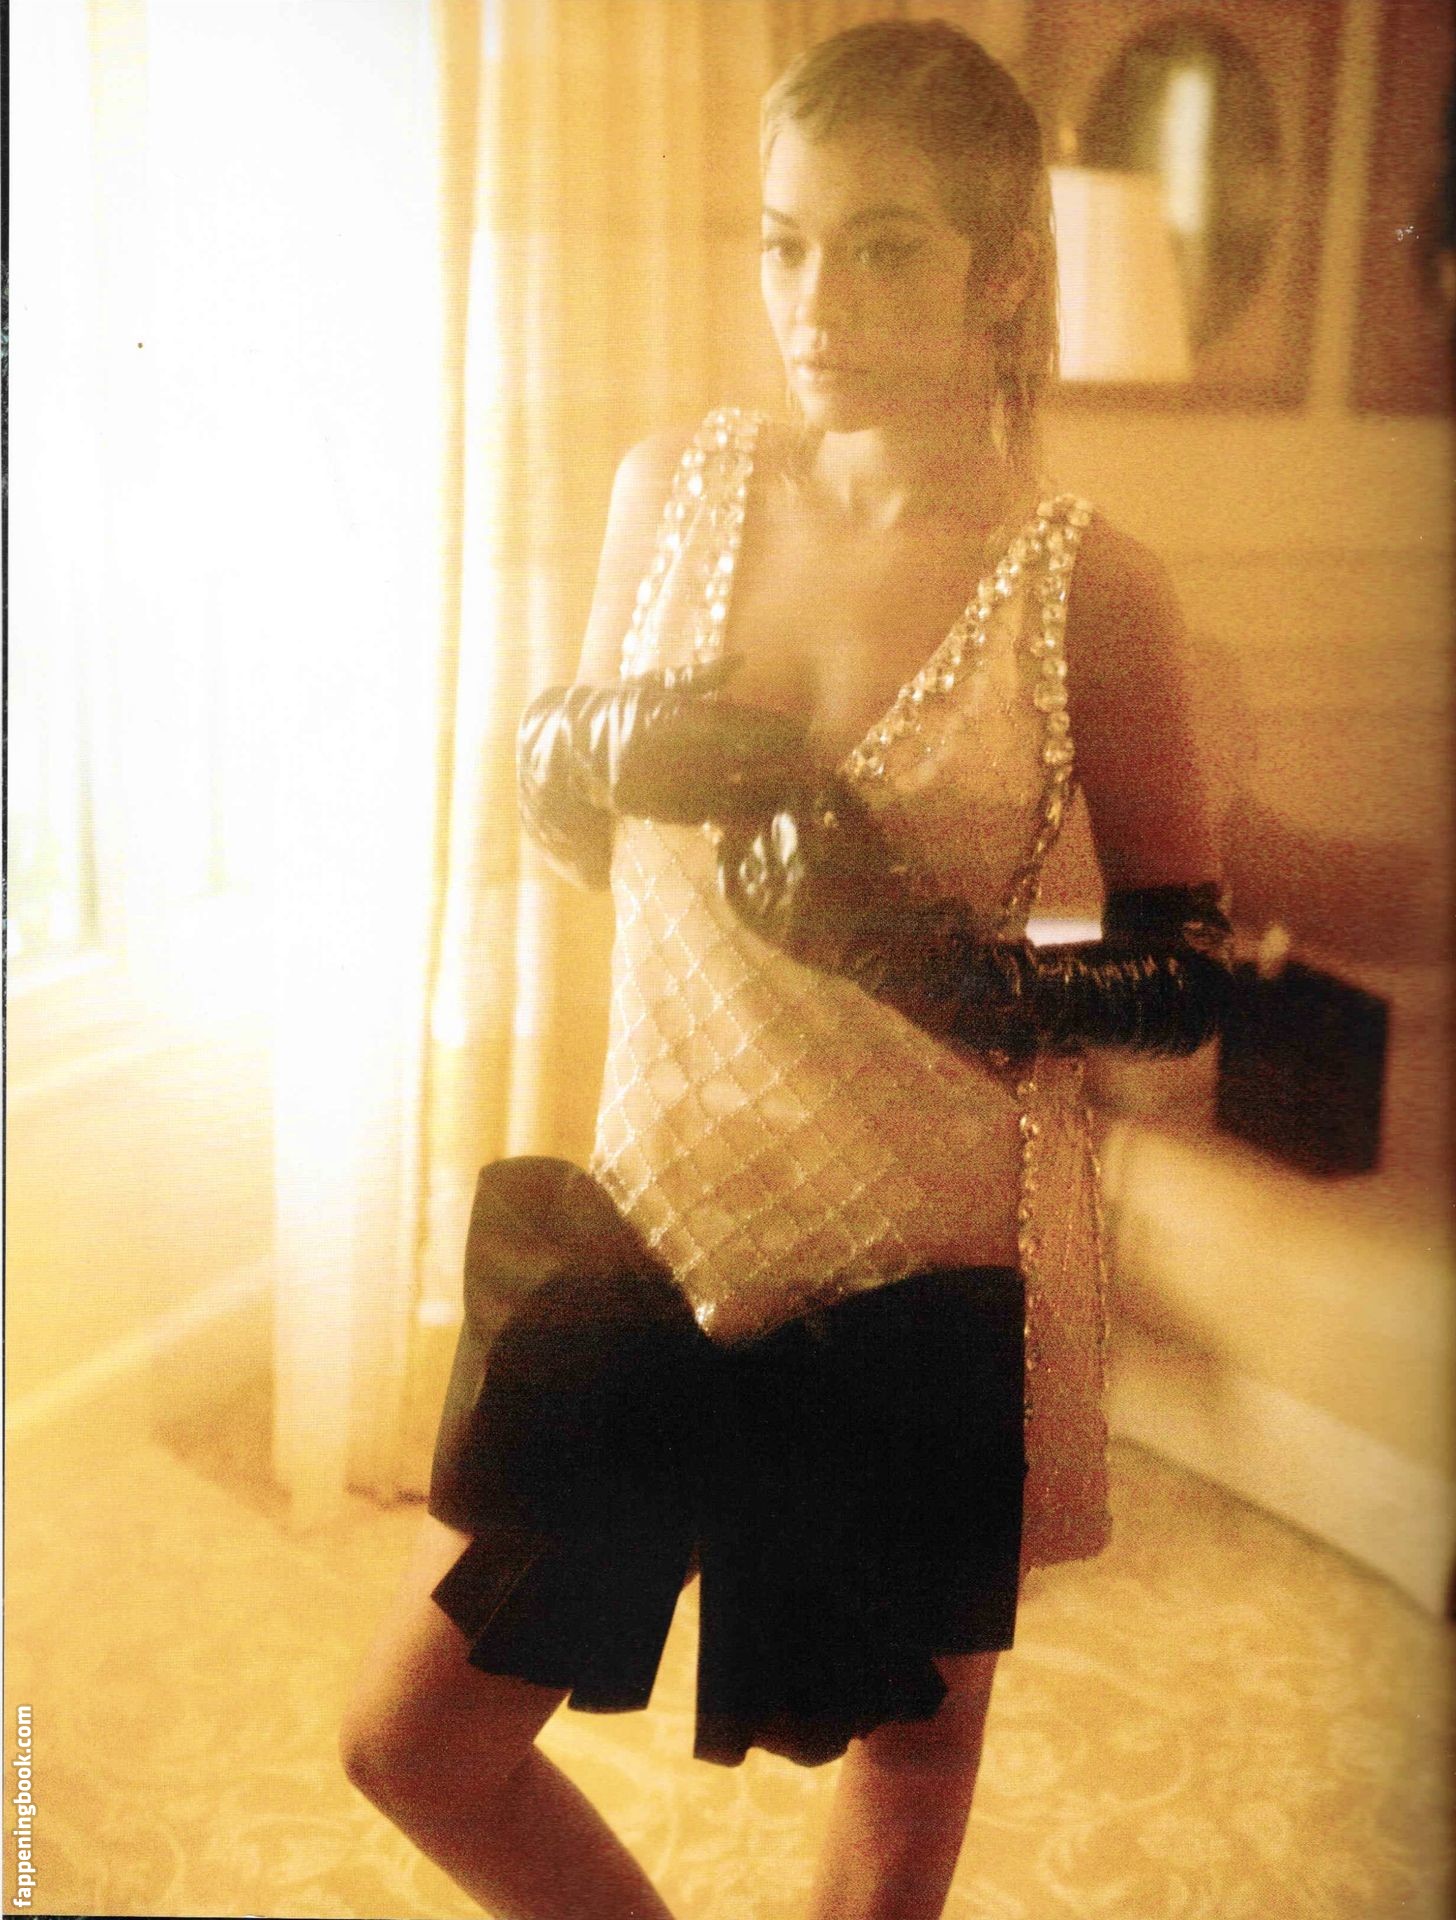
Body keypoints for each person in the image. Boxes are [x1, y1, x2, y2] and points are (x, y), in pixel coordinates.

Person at [339, 20, 1231, 1919]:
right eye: (784, 244)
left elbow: (1182, 984)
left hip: (930, 1268)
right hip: (664, 1222)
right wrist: (586, 746)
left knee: (904, 1780)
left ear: (1005, 273)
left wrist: (932, 960)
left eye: (884, 249)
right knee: (411, 1744)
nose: (817, 303)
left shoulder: (1096, 587)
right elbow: (576, 843)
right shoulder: (673, 489)